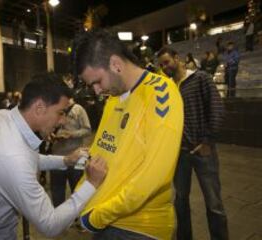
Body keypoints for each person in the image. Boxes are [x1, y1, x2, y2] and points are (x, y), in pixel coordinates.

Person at [0, 73, 107, 240]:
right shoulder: (12, 156)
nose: (62, 121)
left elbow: (30, 159)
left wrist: (65, 160)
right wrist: (91, 184)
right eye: (60, 113)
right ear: (39, 108)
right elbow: (50, 224)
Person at [72, 29, 184, 239]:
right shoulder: (113, 98)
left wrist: (97, 217)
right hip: (102, 217)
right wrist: (82, 194)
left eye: (97, 81)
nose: (96, 91)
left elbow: (154, 176)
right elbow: (102, 149)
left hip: (139, 227)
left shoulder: (161, 92)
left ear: (115, 64)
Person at [157, 47, 228, 240]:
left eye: (167, 62)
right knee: (180, 201)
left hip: (202, 151)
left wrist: (208, 141)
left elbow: (217, 109)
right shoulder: (168, 87)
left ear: (177, 58)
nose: (164, 67)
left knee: (214, 204)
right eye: (161, 65)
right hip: (179, 154)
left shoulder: (201, 78)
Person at [50, 95, 91, 207]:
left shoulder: (78, 109)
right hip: (56, 156)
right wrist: (51, 135)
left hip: (76, 156)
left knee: (77, 189)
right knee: (57, 190)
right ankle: (58, 218)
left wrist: (71, 134)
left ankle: (77, 217)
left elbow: (87, 129)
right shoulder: (53, 108)